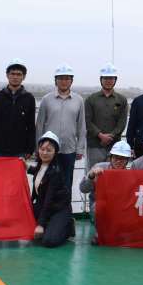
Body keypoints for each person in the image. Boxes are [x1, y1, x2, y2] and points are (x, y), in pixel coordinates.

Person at [36, 64, 87, 194]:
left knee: (66, 182)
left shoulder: (78, 100)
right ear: (56, 80)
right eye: (61, 78)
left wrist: (80, 148)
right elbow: (40, 125)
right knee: (46, 181)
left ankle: (65, 206)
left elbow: (81, 126)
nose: (64, 81)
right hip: (48, 150)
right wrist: (38, 147)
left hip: (69, 150)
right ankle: (46, 206)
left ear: (71, 81)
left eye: (67, 78)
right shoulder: (46, 100)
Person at [80, 140, 132, 244]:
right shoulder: (99, 168)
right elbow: (83, 189)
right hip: (101, 205)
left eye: (122, 159)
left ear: (127, 161)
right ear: (110, 157)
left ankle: (119, 231)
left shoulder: (130, 175)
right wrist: (91, 176)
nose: (118, 161)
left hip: (120, 208)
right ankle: (100, 233)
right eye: (116, 157)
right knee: (98, 207)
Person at [28, 132, 74, 248]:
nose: (44, 153)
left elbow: (48, 200)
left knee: (49, 241)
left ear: (55, 152)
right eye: (42, 149)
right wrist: (27, 167)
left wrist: (40, 225)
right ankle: (50, 224)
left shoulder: (56, 172)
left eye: (49, 150)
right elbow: (40, 173)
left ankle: (68, 227)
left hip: (59, 209)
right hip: (45, 206)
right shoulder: (41, 165)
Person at [0, 58, 36, 158]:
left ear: (24, 77)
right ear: (7, 75)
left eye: (19, 74)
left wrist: (30, 149)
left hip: (20, 150)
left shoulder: (29, 98)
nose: (15, 77)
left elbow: (31, 126)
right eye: (12, 74)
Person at [85, 63, 128, 170]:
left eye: (111, 78)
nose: (108, 81)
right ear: (101, 79)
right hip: (95, 144)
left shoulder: (122, 100)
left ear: (115, 80)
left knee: (113, 174)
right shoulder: (91, 99)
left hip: (115, 147)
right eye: (106, 78)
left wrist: (111, 136)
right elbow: (87, 121)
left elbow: (122, 122)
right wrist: (100, 135)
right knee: (94, 172)